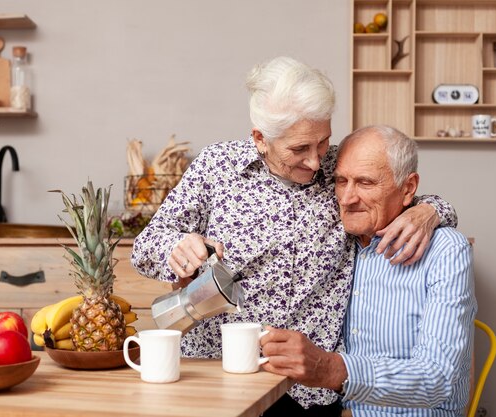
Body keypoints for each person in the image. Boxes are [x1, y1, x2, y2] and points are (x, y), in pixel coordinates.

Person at [131, 57, 457, 416]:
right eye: (299, 149)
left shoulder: (340, 168)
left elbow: (400, 192)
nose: (316, 162)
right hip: (220, 377)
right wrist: (177, 248)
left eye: (322, 142)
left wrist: (431, 211)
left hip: (311, 391)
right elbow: (147, 244)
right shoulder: (217, 166)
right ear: (260, 138)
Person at [260, 125, 476, 417]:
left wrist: (329, 369)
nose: (347, 198)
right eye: (341, 181)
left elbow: (436, 380)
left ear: (408, 188)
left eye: (365, 182)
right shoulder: (336, 243)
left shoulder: (445, 251)